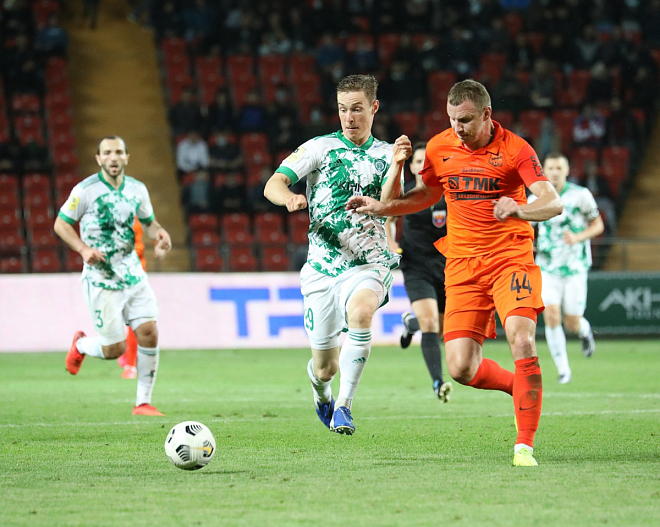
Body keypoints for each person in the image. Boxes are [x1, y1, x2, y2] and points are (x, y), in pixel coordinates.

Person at [346, 80, 563, 466]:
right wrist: (382, 207)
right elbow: (425, 196)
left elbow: (552, 201)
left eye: (465, 120)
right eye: (451, 119)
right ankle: (522, 387)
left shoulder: (516, 149)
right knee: (461, 367)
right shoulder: (440, 147)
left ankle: (524, 446)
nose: (457, 127)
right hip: (462, 266)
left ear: (486, 114)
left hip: (510, 259)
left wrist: (520, 209)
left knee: (521, 339)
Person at [264, 74, 412, 435]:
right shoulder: (319, 148)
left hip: (369, 263)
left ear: (374, 108)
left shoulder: (386, 154)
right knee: (324, 368)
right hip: (322, 268)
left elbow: (391, 205)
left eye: (357, 109)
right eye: (343, 109)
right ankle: (323, 394)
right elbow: (273, 183)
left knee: (361, 313)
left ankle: (344, 406)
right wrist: (290, 198)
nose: (349, 117)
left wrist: (397, 165)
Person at [54, 136, 172, 416]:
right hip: (101, 278)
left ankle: (143, 403)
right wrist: (83, 249)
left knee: (149, 333)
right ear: (98, 159)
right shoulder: (85, 190)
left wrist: (160, 234)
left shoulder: (137, 189)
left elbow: (149, 223)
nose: (113, 157)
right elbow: (61, 224)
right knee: (114, 349)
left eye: (118, 152)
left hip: (133, 274)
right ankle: (81, 344)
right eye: (107, 153)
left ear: (127, 157)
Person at [384, 142, 453, 403]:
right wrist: (391, 244)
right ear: (411, 167)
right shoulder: (407, 195)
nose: (423, 165)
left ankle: (411, 324)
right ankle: (438, 382)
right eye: (418, 161)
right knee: (431, 324)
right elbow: (388, 219)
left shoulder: (449, 195)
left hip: (447, 266)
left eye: (428, 161)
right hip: (416, 266)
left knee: (438, 330)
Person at [531, 153, 603, 384]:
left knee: (572, 322)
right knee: (551, 315)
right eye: (550, 168)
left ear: (567, 170)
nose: (554, 172)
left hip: (575, 268)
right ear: (543, 170)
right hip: (547, 267)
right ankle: (564, 370)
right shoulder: (535, 199)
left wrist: (578, 237)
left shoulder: (580, 195)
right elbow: (525, 229)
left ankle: (584, 331)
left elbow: (598, 225)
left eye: (559, 168)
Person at [116, 216, 148, 380]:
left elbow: (137, 247)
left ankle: (130, 364)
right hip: (112, 275)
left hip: (134, 275)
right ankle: (124, 351)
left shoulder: (132, 217)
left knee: (135, 320)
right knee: (112, 319)